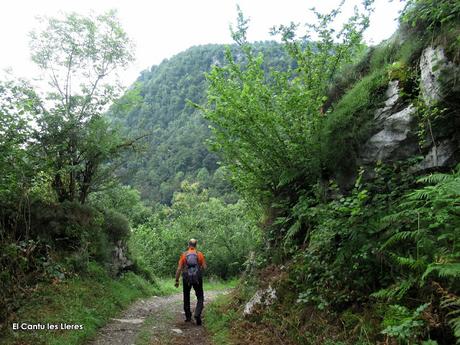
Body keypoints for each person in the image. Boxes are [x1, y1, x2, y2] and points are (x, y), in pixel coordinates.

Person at [175, 238, 207, 325]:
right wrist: (199, 270)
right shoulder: (199, 254)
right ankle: (197, 314)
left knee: (186, 296)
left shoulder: (184, 255)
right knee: (200, 297)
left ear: (188, 245)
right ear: (196, 245)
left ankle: (188, 317)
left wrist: (177, 280)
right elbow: (204, 267)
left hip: (186, 278)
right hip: (197, 278)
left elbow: (179, 269)